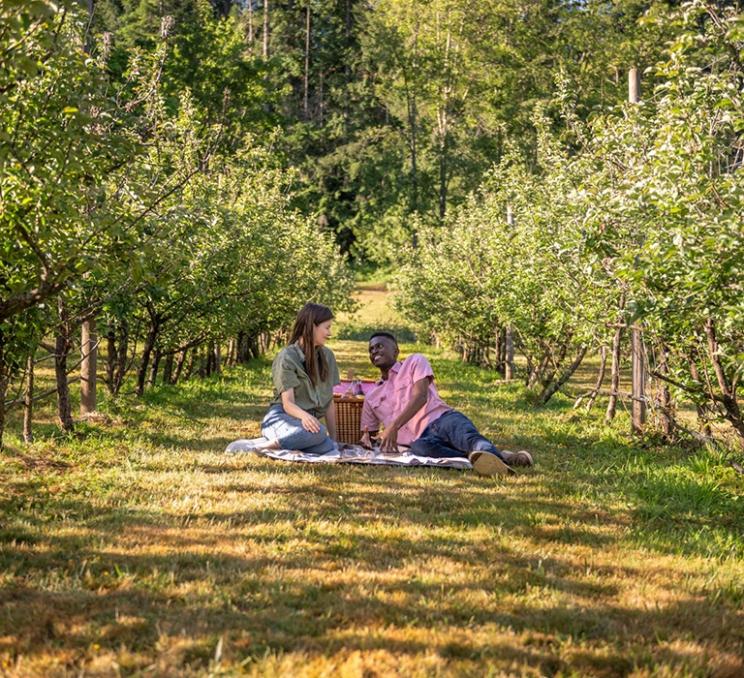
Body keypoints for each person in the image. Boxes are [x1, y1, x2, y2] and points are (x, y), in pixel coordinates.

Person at [360, 332, 533, 476]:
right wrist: (368, 440)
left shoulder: (415, 362)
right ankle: (498, 457)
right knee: (421, 448)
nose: (374, 350)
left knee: (471, 441)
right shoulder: (371, 396)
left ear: (396, 351)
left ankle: (500, 466)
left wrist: (394, 426)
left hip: (443, 419)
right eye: (371, 349)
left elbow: (421, 396)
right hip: (421, 440)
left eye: (379, 346)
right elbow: (370, 434)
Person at [249, 303, 341, 454]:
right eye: (327, 327)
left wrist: (334, 439)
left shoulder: (328, 356)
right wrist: (306, 417)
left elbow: (329, 401)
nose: (329, 333)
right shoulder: (287, 357)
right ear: (312, 326)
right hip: (281, 417)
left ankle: (290, 443)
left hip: (305, 423)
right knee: (318, 432)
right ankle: (263, 447)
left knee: (327, 446)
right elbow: (288, 404)